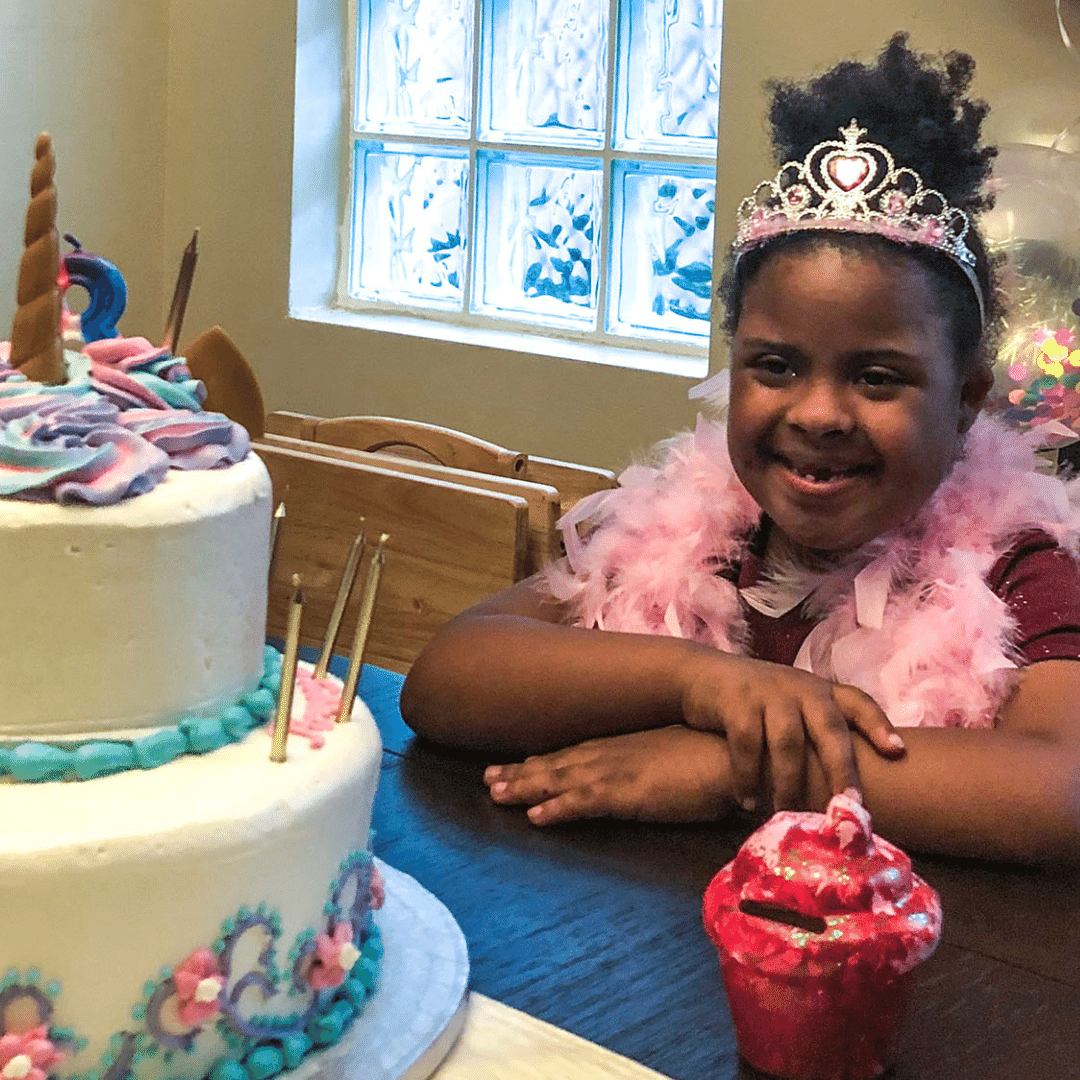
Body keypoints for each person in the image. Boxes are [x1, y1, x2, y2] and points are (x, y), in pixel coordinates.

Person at [400, 34, 1080, 865]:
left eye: (877, 377)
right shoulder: (701, 533)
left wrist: (741, 770)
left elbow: (1063, 788)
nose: (820, 414)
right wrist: (700, 680)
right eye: (776, 366)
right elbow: (446, 681)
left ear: (967, 400)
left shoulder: (1020, 566)